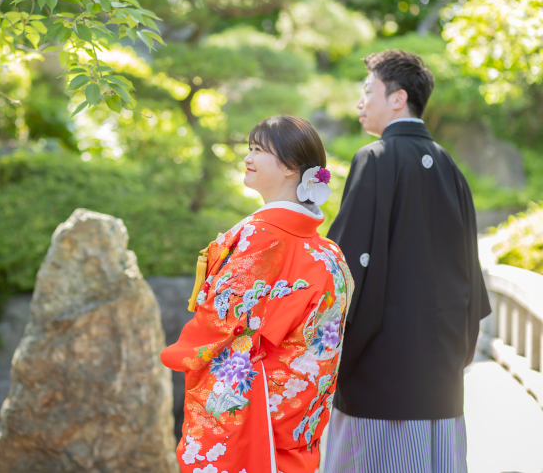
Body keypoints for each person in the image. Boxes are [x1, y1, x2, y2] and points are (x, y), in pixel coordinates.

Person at [324, 50, 491, 473]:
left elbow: (344, 267)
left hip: (382, 375)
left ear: (397, 99)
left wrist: (329, 349)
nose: (361, 103)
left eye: (368, 91)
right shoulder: (451, 168)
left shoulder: (375, 159)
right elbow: (470, 273)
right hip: (440, 376)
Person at [161, 115, 354, 473]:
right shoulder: (328, 252)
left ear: (291, 166)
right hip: (296, 404)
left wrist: (183, 351)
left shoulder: (263, 237)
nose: (248, 157)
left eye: (259, 150)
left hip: (257, 403)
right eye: (249, 148)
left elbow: (223, 318)